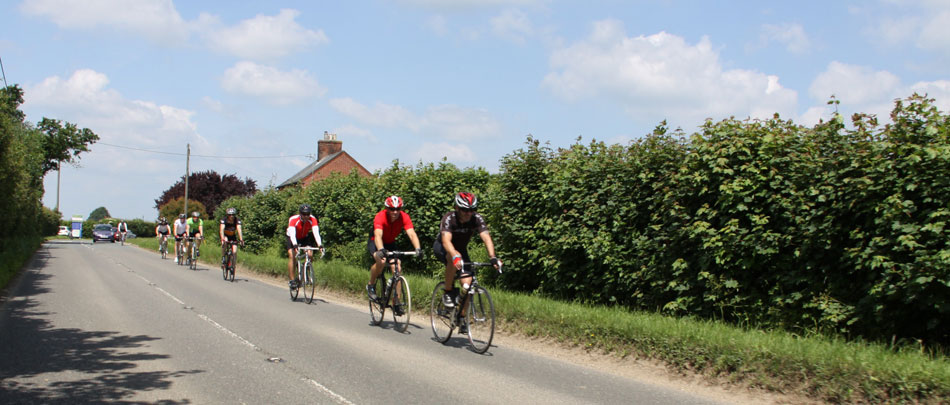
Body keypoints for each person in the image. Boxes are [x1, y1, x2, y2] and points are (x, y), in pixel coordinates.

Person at [434, 192, 502, 331]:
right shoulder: (449, 218)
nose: (468, 213)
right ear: (457, 208)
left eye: (472, 210)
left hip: (461, 249)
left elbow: (486, 238)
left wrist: (492, 257)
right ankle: (447, 291)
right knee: (453, 258)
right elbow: (446, 240)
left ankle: (462, 317)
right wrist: (453, 255)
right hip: (443, 247)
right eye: (465, 210)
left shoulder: (476, 219)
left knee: (468, 285)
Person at [366, 196, 422, 307]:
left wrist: (418, 249)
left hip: (390, 242)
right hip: (376, 241)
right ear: (387, 209)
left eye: (398, 209)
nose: (395, 212)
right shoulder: (380, 216)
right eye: (392, 209)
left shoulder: (404, 217)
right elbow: (378, 235)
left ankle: (397, 301)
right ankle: (371, 285)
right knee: (381, 261)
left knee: (397, 267)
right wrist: (381, 249)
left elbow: (412, 234)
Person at [285, 204, 324, 289]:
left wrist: (320, 245)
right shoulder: (293, 219)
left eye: (308, 214)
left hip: (304, 237)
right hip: (292, 237)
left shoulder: (312, 219)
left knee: (310, 254)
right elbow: (292, 233)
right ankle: (292, 281)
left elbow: (316, 232)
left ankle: (304, 268)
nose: (306, 216)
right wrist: (295, 244)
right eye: (304, 214)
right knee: (292, 256)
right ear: (300, 214)